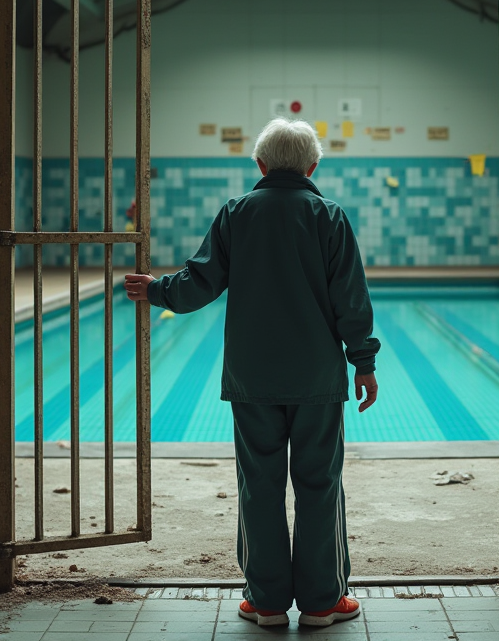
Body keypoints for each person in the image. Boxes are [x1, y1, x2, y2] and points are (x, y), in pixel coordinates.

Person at [124, 118, 380, 627]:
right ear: (312, 167)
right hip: (317, 381)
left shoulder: (237, 213)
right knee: (319, 485)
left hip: (253, 380)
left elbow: (200, 282)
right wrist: (364, 363)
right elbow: (351, 299)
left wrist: (156, 290)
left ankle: (266, 603)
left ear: (260, 165)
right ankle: (322, 602)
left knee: (259, 485)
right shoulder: (329, 216)